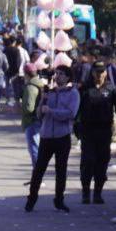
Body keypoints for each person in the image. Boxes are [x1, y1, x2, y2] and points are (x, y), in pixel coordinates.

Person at [26, 66, 79, 213]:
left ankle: (59, 200)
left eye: (61, 74)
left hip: (62, 136)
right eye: (57, 73)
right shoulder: (50, 92)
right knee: (39, 169)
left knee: (61, 170)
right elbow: (39, 114)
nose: (58, 76)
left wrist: (51, 111)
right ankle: (31, 199)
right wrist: (43, 101)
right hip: (46, 136)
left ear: (68, 77)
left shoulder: (73, 93)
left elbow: (71, 113)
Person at [76, 63, 116, 204]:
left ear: (105, 73)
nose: (99, 74)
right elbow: (76, 109)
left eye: (102, 71)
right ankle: (86, 192)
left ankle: (98, 193)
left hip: (104, 131)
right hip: (88, 131)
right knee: (88, 161)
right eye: (97, 71)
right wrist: (76, 127)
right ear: (92, 72)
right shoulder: (84, 89)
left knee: (102, 161)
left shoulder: (111, 89)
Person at [21, 57, 47, 169]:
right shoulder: (40, 84)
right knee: (37, 148)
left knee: (34, 150)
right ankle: (38, 172)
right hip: (40, 120)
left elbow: (29, 108)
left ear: (26, 74)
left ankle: (37, 174)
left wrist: (20, 108)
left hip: (31, 121)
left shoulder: (30, 87)